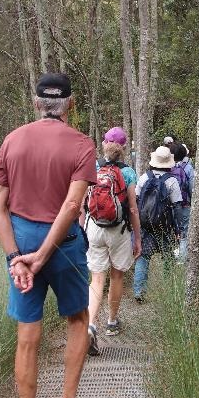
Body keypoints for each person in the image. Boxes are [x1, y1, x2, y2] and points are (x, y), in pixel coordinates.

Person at [0, 72, 97, 398]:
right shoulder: (82, 145)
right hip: (63, 246)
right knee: (77, 318)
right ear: (69, 104)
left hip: (20, 244)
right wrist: (44, 253)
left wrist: (16, 257)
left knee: (27, 335)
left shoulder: (12, 141)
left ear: (36, 103)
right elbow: (71, 208)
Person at [84, 127, 142, 355]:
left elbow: (81, 203)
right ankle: (112, 321)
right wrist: (137, 237)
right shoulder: (128, 173)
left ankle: (90, 324)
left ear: (104, 144)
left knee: (96, 278)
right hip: (118, 230)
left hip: (94, 228)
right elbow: (133, 209)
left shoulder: (93, 168)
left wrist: (82, 230)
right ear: (124, 148)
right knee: (117, 274)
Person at [133, 146, 183, 302]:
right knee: (168, 258)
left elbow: (135, 201)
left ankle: (139, 291)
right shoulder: (172, 181)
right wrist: (179, 228)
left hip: (146, 227)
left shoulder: (144, 178)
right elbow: (177, 207)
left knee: (143, 257)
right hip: (165, 228)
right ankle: (169, 291)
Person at [170, 143, 195, 264]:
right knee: (184, 235)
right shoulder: (188, 168)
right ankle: (181, 261)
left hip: (169, 207)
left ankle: (169, 261)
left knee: (170, 234)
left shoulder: (167, 167)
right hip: (184, 205)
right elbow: (192, 188)